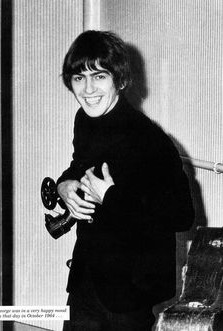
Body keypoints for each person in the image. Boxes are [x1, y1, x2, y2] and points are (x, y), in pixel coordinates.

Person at [56, 30, 194, 331]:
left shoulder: (149, 139)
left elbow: (182, 214)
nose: (88, 89)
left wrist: (111, 196)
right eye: (79, 78)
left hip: (131, 290)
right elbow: (78, 166)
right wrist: (64, 185)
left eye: (99, 76)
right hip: (87, 277)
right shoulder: (86, 119)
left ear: (119, 79)